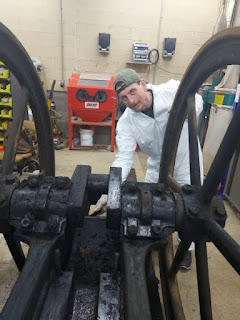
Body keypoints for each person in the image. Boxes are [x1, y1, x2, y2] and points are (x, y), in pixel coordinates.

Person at [94, 69, 204, 270]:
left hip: (186, 160)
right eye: (124, 97)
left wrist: (184, 113)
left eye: (133, 91)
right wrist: (108, 189)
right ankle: (157, 235)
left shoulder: (170, 90)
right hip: (158, 166)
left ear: (143, 84)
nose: (131, 100)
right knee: (151, 205)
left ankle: (185, 248)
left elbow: (197, 100)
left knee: (191, 209)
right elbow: (124, 158)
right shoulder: (127, 122)